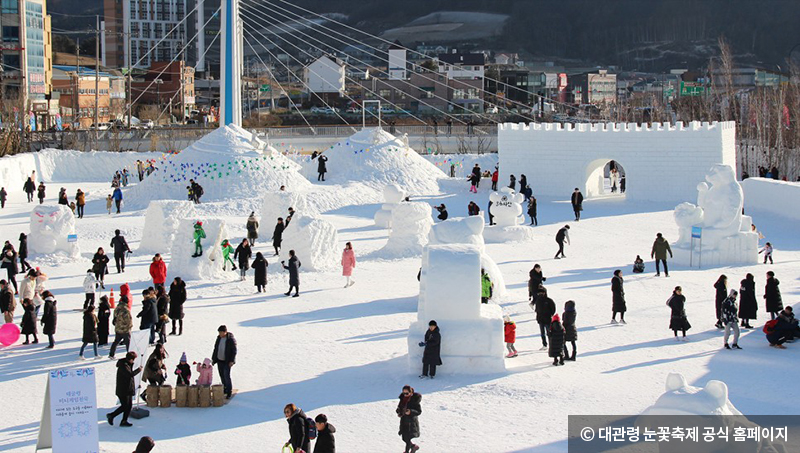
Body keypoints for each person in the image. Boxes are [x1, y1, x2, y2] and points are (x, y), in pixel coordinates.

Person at [106, 351, 141, 427]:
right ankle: (111, 415)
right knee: (125, 406)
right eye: (133, 359)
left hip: (128, 388)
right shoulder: (123, 366)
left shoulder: (127, 364)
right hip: (123, 390)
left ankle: (124, 420)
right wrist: (138, 370)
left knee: (129, 406)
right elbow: (130, 374)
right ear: (130, 359)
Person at [212, 325, 237, 399]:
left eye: (221, 332)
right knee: (222, 376)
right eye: (219, 332)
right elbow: (216, 348)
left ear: (225, 332)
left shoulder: (230, 339)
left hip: (227, 361)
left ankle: (229, 391)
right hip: (219, 360)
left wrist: (232, 361)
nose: (220, 334)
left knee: (226, 376)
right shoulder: (218, 338)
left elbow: (234, 351)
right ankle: (225, 389)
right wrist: (214, 359)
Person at [397, 385, 422, 453]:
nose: (405, 395)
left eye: (407, 393)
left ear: (411, 393)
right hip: (404, 421)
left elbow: (419, 411)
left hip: (411, 422)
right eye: (404, 393)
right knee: (404, 438)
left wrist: (410, 412)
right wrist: (399, 411)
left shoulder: (414, 400)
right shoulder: (402, 399)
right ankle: (414, 447)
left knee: (407, 438)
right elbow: (399, 408)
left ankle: (407, 451)